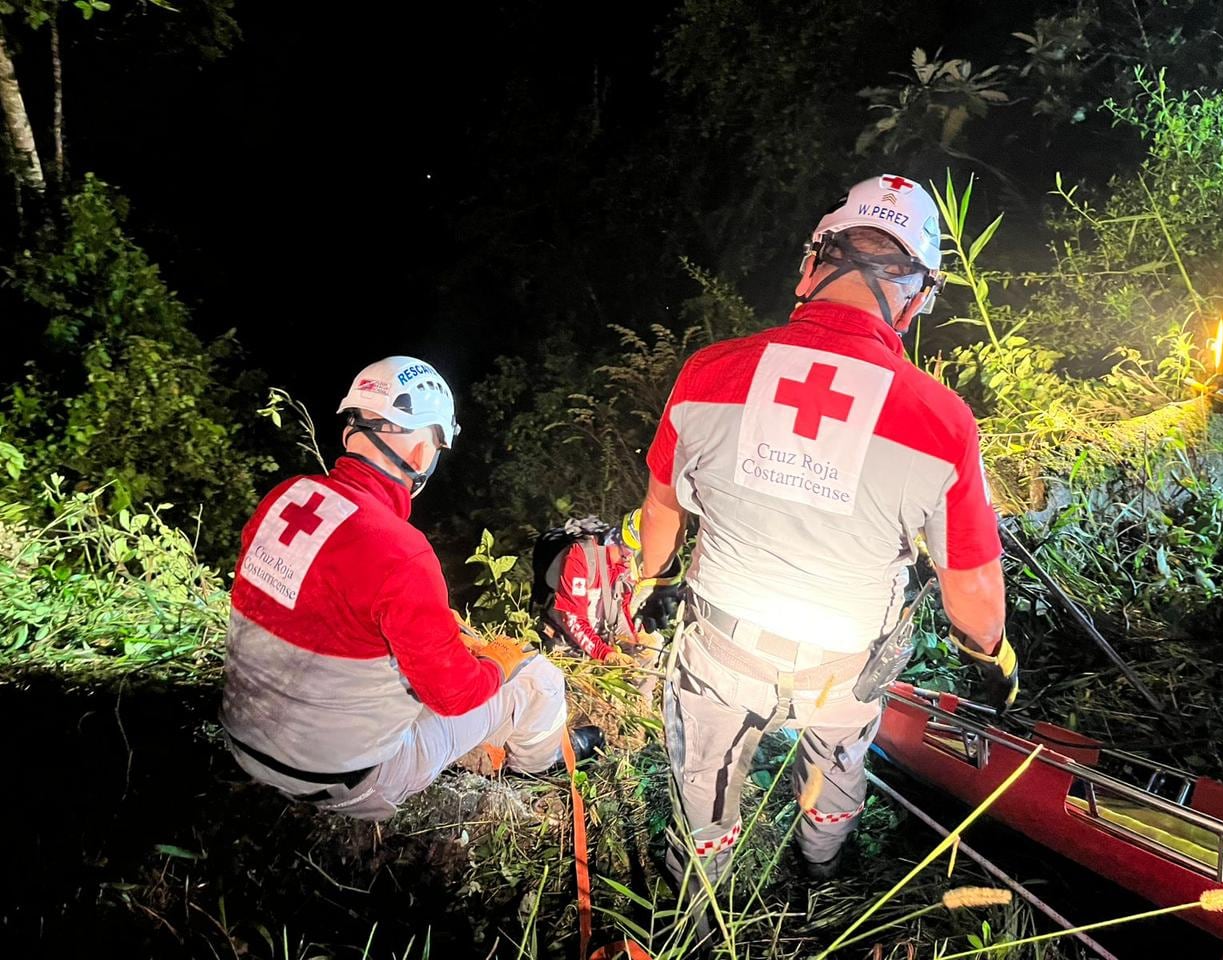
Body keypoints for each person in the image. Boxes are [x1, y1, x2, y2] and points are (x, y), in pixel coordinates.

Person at [638, 174, 1019, 887]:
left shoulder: (707, 374)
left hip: (722, 652)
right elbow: (969, 583)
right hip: (845, 666)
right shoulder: (940, 421)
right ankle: (820, 876)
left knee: (703, 790)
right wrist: (991, 656)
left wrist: (654, 580)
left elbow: (662, 508)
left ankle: (698, 901)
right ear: (915, 297)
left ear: (813, 265)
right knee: (836, 775)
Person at [220, 356, 600, 820]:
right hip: (343, 784)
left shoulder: (285, 498)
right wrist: (499, 663)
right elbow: (453, 695)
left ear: (348, 432)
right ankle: (536, 773)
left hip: (244, 746)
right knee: (538, 679)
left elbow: (329, 612)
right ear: (422, 454)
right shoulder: (402, 551)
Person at [542, 510, 646, 665]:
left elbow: (620, 611)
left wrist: (632, 644)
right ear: (617, 539)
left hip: (596, 643)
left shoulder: (625, 568)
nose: (631, 558)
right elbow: (572, 619)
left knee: (646, 654)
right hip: (563, 646)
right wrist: (605, 654)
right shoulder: (581, 556)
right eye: (629, 550)